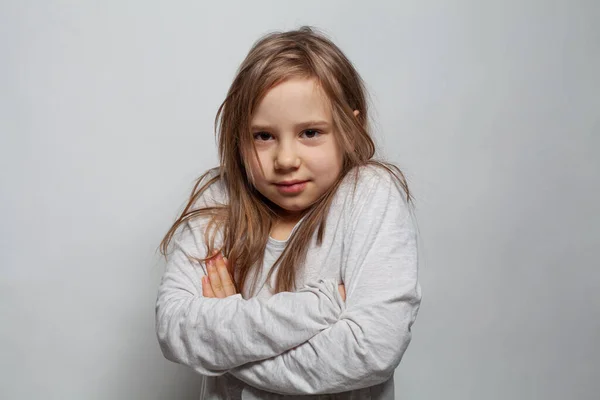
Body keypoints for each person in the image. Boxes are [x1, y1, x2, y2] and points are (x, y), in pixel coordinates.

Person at [155, 26, 422, 399]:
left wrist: (227, 344)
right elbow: (174, 328)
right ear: (238, 136)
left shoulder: (369, 195)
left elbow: (371, 350)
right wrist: (317, 308)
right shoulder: (220, 199)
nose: (285, 160)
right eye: (263, 136)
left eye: (310, 132)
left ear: (351, 127)